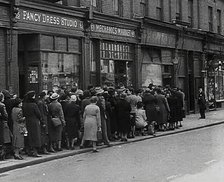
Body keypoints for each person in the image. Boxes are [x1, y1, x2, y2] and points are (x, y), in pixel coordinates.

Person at [23, 91, 42, 157]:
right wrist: (41, 120)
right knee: (35, 136)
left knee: (29, 136)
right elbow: (38, 114)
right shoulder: (34, 105)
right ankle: (35, 152)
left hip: (27, 121)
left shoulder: (24, 104)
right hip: (34, 121)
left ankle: (28, 150)